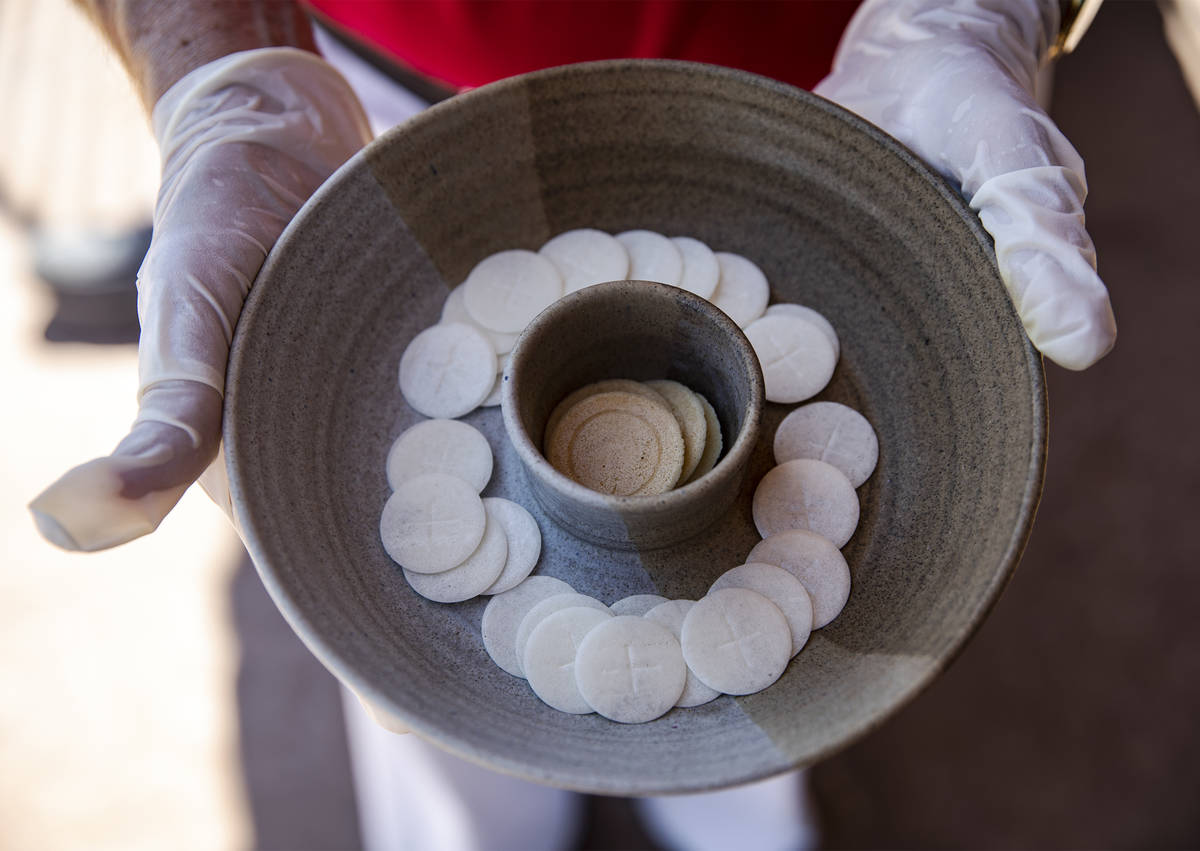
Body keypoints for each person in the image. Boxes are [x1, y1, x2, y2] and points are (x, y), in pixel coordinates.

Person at [31, 1, 1116, 848]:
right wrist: (227, 73)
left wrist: (978, 8)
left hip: (848, 93)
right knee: (416, 642)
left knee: (782, 639)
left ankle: (737, 807)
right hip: (369, 100)